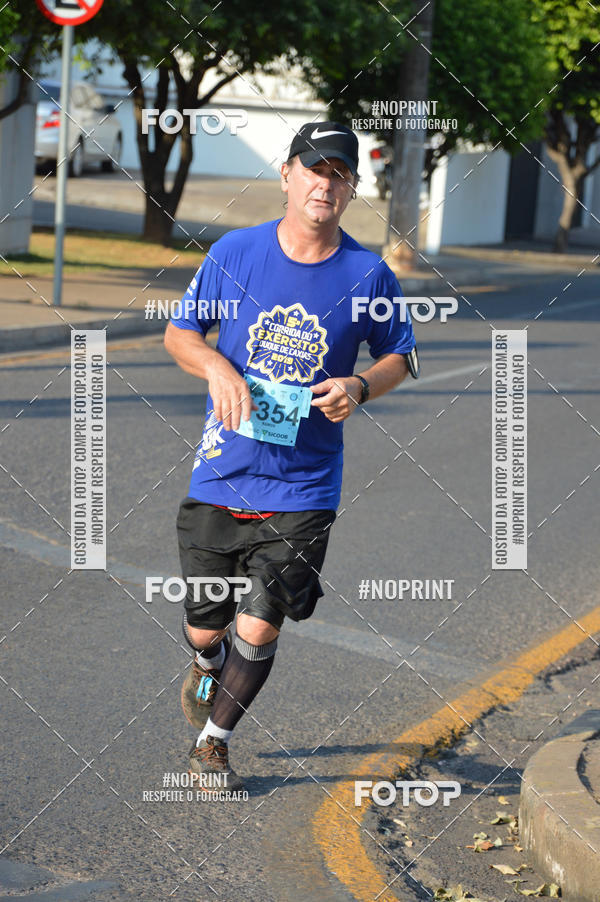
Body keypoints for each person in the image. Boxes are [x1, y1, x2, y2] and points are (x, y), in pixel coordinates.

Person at [164, 121, 418, 791]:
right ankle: (204, 662)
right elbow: (181, 332)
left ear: (351, 188)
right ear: (287, 175)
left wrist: (362, 384)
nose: (324, 183)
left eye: (339, 173)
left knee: (261, 624)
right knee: (204, 628)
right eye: (314, 168)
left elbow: (403, 354)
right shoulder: (236, 253)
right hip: (223, 471)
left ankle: (214, 745)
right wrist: (216, 367)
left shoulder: (367, 272)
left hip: (305, 486)